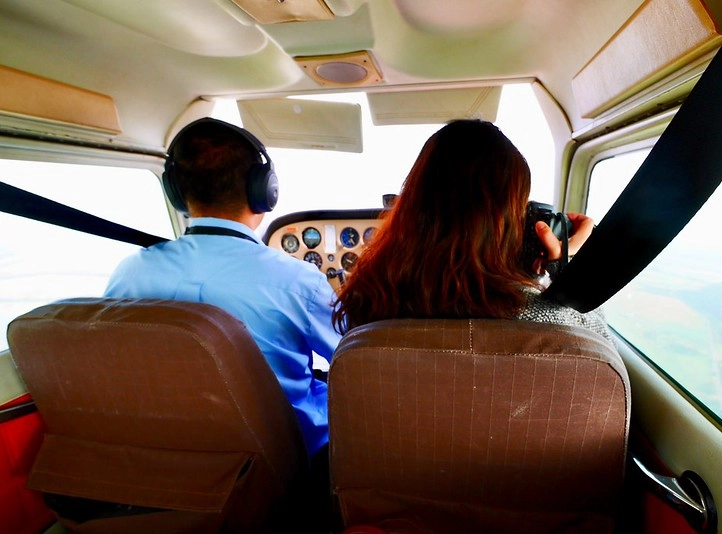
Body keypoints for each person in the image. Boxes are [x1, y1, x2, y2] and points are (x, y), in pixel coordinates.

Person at [104, 117, 341, 463]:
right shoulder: (298, 282)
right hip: (283, 462)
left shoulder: (129, 273)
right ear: (264, 191)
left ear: (176, 192)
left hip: (168, 454)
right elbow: (355, 361)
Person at [332, 119, 612, 342]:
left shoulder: (366, 303)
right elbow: (600, 358)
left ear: (410, 209)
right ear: (508, 222)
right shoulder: (544, 321)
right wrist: (567, 270)